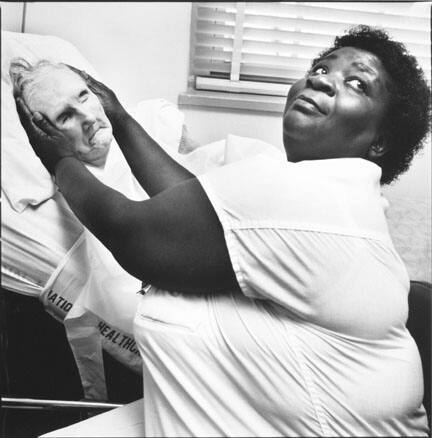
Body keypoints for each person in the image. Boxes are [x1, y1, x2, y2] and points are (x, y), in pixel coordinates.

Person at [15, 25, 430, 437]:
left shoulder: (316, 195)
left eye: (356, 83)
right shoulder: (334, 202)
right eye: (320, 67)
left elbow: (130, 232)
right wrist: (120, 118)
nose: (321, 79)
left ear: (380, 142)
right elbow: (196, 203)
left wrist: (55, 158)